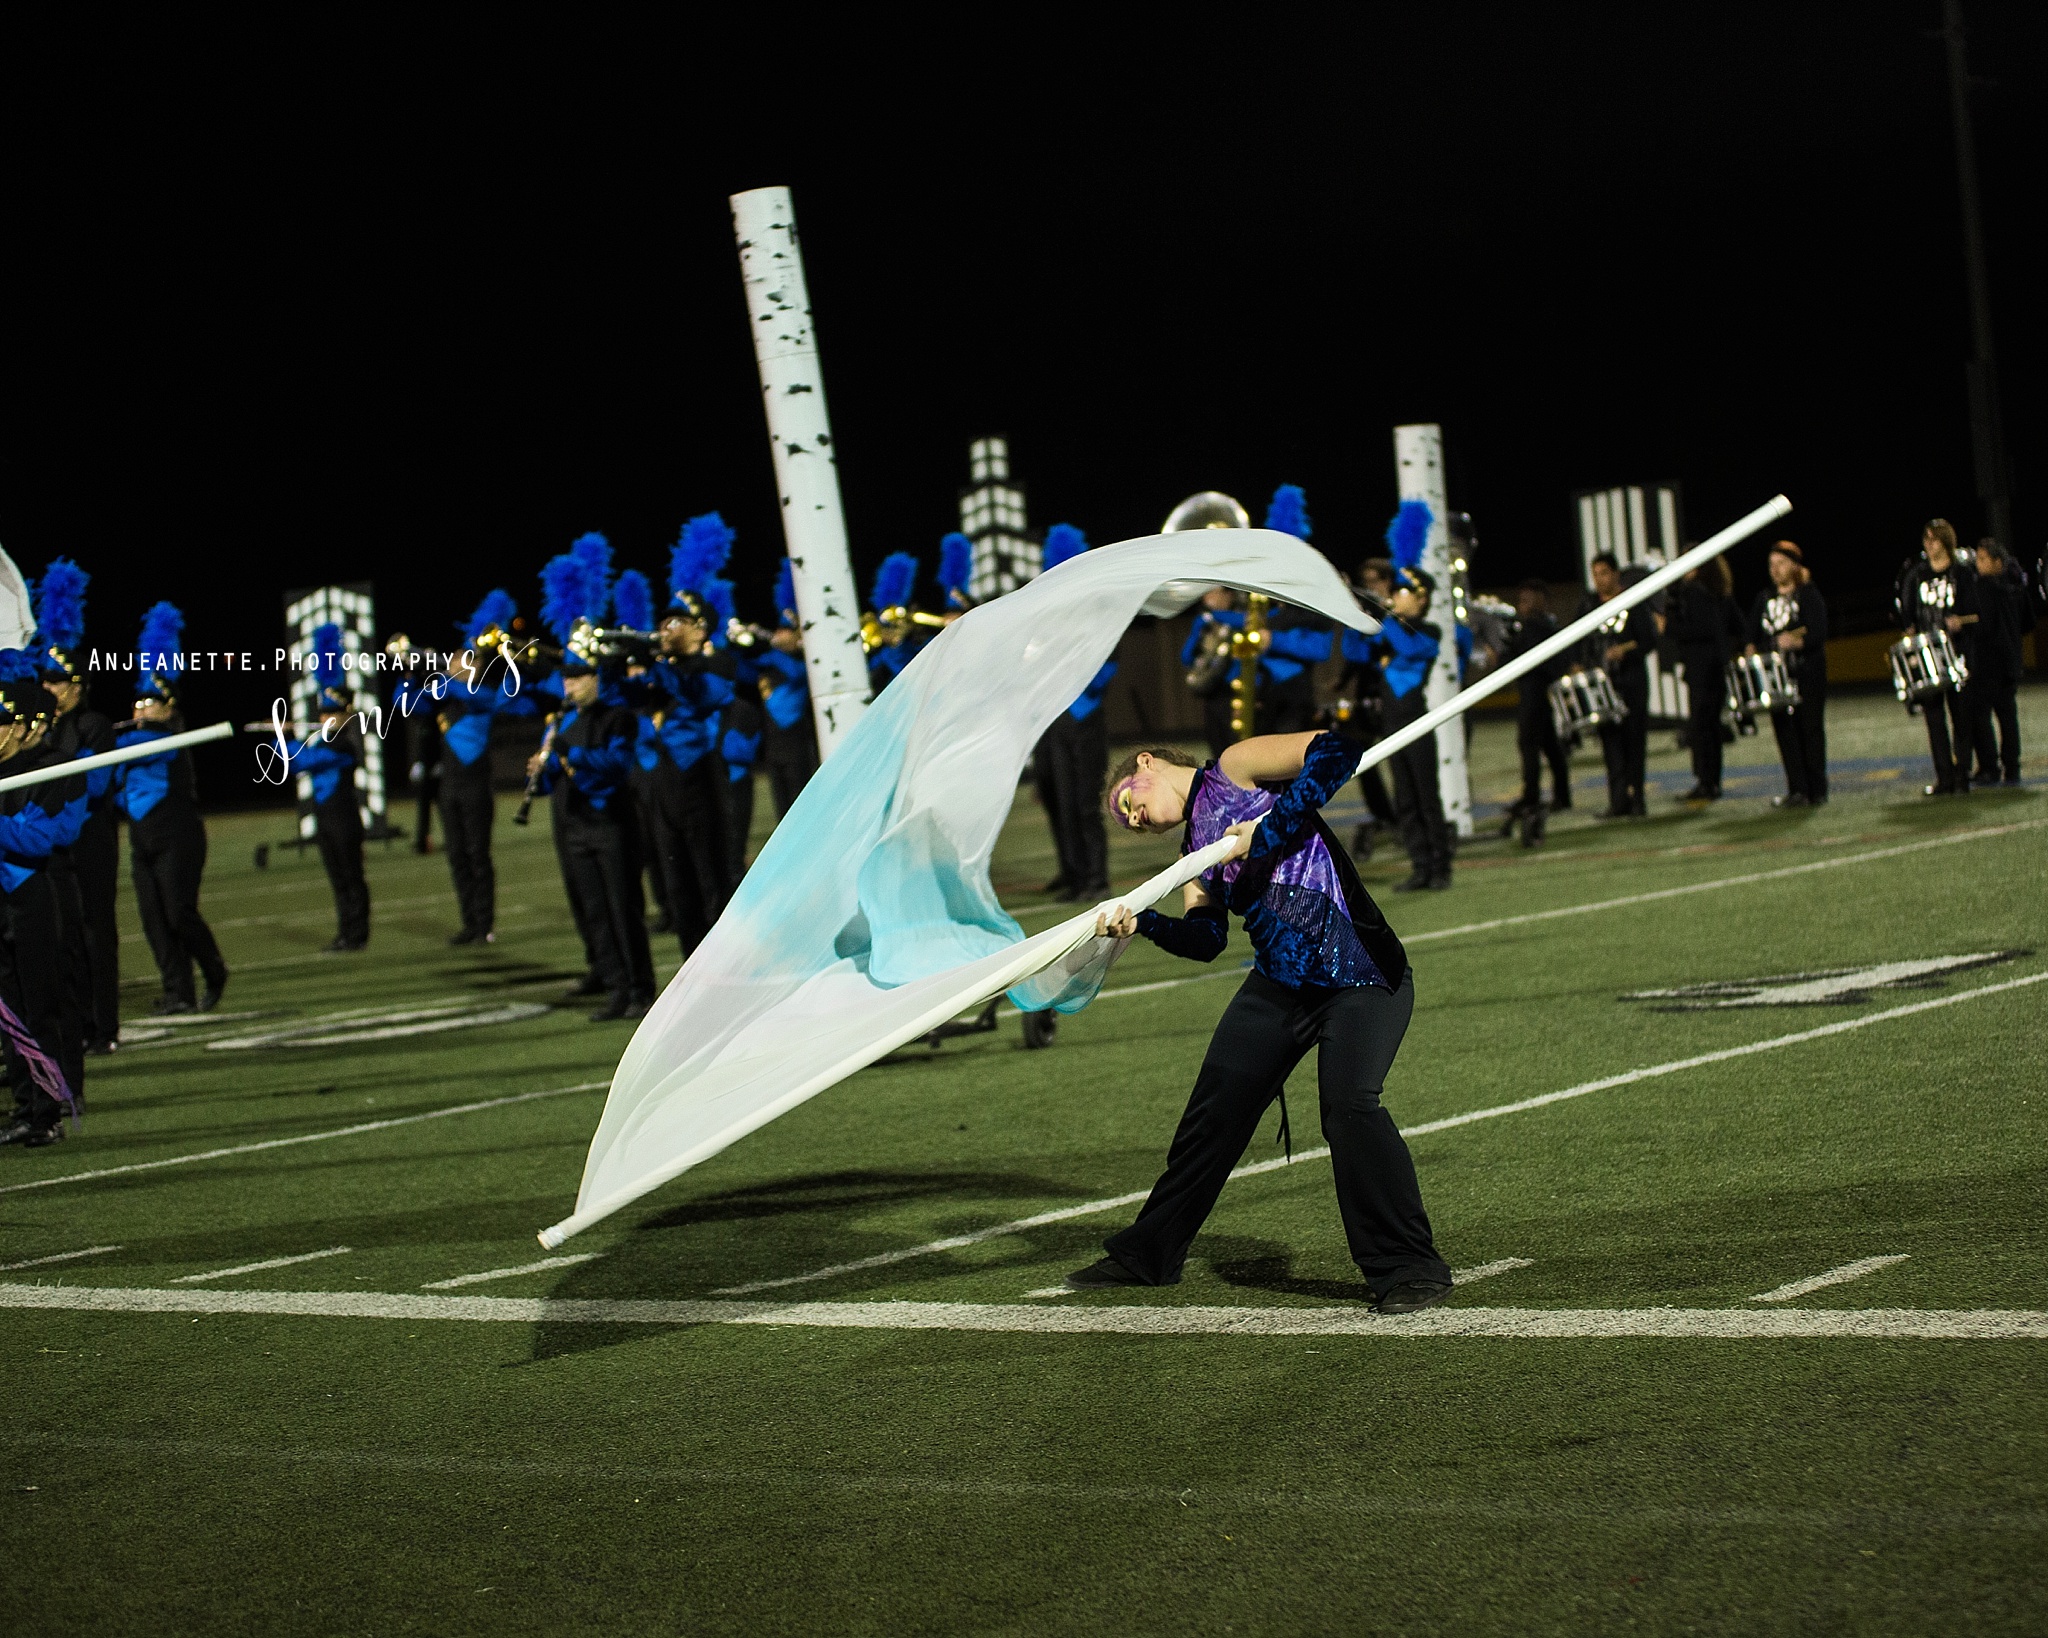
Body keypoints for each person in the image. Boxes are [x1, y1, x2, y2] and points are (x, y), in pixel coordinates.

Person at [1076, 730, 1451, 1313]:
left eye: (1130, 802)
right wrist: (1141, 925)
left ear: (1146, 763)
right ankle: (1148, 1254)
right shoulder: (1194, 860)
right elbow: (1205, 940)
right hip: (1280, 986)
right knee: (1215, 1110)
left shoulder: (1235, 768)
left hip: (1360, 974)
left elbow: (1340, 750)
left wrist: (1268, 830)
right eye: (1130, 824)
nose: (1136, 820)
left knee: (1349, 1108)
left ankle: (1408, 1267)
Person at [529, 639, 655, 1022]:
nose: (569, 687)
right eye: (566, 680)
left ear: (596, 678)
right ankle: (616, 989)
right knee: (595, 912)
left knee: (623, 909)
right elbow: (555, 780)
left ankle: (641, 989)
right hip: (575, 827)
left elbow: (617, 766)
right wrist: (541, 771)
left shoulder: (618, 717)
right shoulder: (561, 721)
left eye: (578, 678)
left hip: (611, 824)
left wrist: (571, 756)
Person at [113, 604, 228, 1015]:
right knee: (154, 921)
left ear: (169, 708)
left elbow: (133, 751)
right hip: (143, 838)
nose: (141, 709)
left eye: (151, 702)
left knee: (179, 913)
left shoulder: (165, 739)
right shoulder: (130, 742)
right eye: (138, 702)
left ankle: (213, 970)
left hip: (177, 835)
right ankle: (178, 992)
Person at [34, 559, 121, 1055]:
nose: (47, 688)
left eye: (56, 680)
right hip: (58, 844)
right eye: (43, 680)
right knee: (66, 939)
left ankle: (104, 1027)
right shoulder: (47, 731)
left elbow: (93, 784)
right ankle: (80, 1021)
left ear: (76, 685)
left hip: (90, 839)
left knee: (96, 932)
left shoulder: (95, 726)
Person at [415, 590, 536, 944]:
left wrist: (443, 673)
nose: (456, 663)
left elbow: (473, 694)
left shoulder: (483, 695)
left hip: (475, 787)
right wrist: (412, 672)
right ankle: (469, 923)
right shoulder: (444, 698)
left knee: (478, 856)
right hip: (448, 788)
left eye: (465, 661)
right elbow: (405, 701)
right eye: (455, 659)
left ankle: (484, 924)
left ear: (478, 667)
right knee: (456, 856)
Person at [0, 660, 86, 1149]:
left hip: (31, 896)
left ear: (20, 726)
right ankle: (23, 1107)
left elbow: (43, 837)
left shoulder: (52, 768)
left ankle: (48, 1110)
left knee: (42, 1008)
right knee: (7, 1012)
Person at [1348, 566, 1450, 891]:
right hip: (1390, 726)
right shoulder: (1388, 632)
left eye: (1401, 592)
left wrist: (1385, 616)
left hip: (1416, 723)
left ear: (1422, 598)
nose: (1394, 597)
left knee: (1426, 798)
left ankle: (1441, 868)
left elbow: (1408, 649)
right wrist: (1355, 617)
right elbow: (1353, 652)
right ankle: (1420, 868)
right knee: (1404, 799)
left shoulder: (1430, 632)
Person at [275, 643, 371, 950]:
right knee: (338, 880)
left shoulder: (343, 745)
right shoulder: (324, 743)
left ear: (347, 714)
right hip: (326, 818)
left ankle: (357, 934)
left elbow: (301, 761)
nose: (326, 717)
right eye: (324, 712)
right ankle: (346, 933)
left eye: (333, 712)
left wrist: (284, 736)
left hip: (344, 819)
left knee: (351, 878)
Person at [1898, 520, 1986, 796]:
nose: (1929, 544)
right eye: (1926, 539)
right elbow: (1908, 612)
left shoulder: (1962, 573)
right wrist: (1909, 629)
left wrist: (1962, 621)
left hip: (1957, 653)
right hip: (1928, 657)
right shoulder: (1917, 575)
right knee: (1934, 721)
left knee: (1961, 718)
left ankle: (1962, 777)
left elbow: (1976, 611)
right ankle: (1944, 778)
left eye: (1934, 539)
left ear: (1946, 542)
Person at [1746, 541, 1829, 807]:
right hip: (1776, 678)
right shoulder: (1764, 598)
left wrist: (1797, 643)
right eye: (1772, 565)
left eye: (1781, 563)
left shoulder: (1808, 594)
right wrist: (1752, 648)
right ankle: (1797, 790)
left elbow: (1818, 631)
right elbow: (1752, 635)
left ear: (1794, 565)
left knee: (1810, 729)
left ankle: (1817, 790)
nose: (1775, 570)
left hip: (1807, 673)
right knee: (1785, 733)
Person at [1498, 578, 1573, 831]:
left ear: (1542, 601)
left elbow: (1518, 659)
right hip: (1538, 692)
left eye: (1528, 600)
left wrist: (1509, 642)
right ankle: (1562, 795)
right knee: (1550, 745)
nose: (1523, 605)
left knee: (1529, 744)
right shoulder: (1542, 625)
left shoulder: (1536, 627)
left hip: (1535, 693)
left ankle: (1532, 797)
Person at [1667, 556, 1743, 802]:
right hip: (1715, 670)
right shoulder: (1719, 593)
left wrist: (1668, 626)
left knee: (1702, 728)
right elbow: (1738, 627)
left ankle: (1706, 783)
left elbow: (1698, 630)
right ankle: (1711, 782)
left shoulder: (1696, 593)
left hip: (1703, 671)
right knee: (1709, 727)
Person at [1338, 559, 1399, 858]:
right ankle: (1384, 814)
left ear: (1388, 581)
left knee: (1402, 756)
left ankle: (1406, 816)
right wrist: (1355, 616)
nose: (1370, 585)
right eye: (1367, 580)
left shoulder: (1399, 609)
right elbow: (1354, 653)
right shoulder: (1370, 611)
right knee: (1360, 756)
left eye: (1375, 580)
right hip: (1369, 694)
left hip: (1395, 694)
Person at [1584, 553, 1653, 817]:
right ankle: (1618, 801)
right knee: (1610, 743)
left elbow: (1648, 639)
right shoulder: (1589, 605)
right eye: (1595, 574)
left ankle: (1638, 799)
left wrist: (1625, 650)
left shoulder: (1632, 602)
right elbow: (1582, 641)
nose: (1600, 579)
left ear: (1615, 574)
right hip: (1604, 686)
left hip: (1632, 681)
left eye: (1604, 573)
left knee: (1634, 740)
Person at [1970, 538, 2024, 786]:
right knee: (2007, 717)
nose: (1978, 564)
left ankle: (1989, 767)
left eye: (1982, 559)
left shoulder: (1983, 587)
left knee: (1980, 716)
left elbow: (1983, 627)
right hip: (2011, 660)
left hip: (1989, 663)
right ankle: (2012, 767)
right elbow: (2028, 621)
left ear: (1997, 562)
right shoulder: (2016, 586)